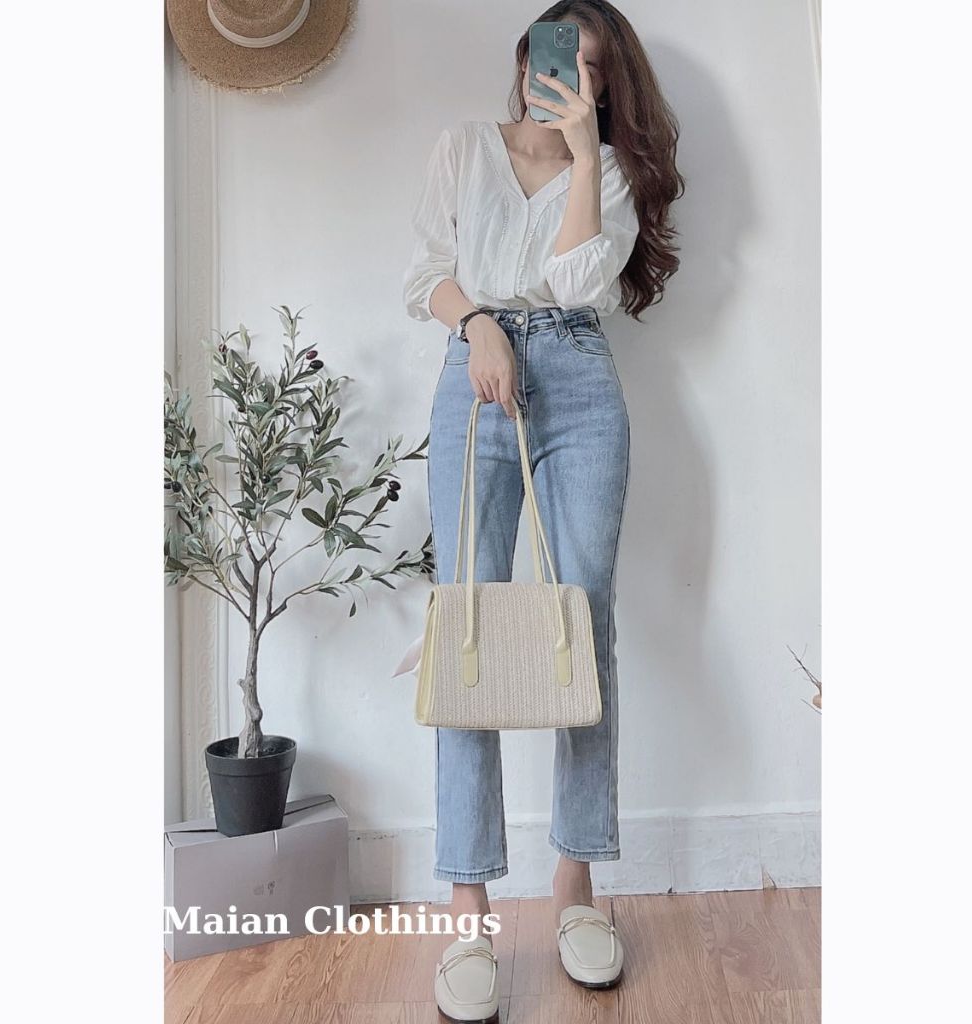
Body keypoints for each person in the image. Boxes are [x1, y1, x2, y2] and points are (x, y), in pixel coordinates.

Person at [401, 3, 684, 1018]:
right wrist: (480, 324)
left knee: (582, 626)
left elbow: (573, 278)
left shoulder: (608, 173)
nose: (564, 71)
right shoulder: (462, 147)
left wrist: (582, 154)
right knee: (466, 626)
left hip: (580, 380)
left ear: (606, 87)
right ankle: (469, 911)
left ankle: (575, 886)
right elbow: (426, 277)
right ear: (524, 57)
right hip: (473, 375)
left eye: (590, 66)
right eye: (553, 51)